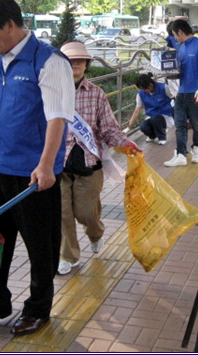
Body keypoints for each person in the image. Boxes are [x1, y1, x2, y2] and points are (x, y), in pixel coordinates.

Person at [0, 0, 75, 337]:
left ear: (9, 25)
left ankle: (38, 310)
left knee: (41, 248)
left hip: (33, 177)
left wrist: (46, 166)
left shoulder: (49, 61)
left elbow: (58, 117)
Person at [58, 41, 141, 275]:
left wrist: (126, 144)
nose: (75, 65)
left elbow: (108, 128)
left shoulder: (96, 94)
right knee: (62, 214)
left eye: (79, 61)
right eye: (70, 61)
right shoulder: (51, 91)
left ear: (86, 65)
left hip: (89, 164)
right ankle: (69, 256)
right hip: (59, 164)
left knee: (86, 213)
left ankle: (96, 234)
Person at [163, 19, 198, 167]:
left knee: (197, 124)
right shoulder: (181, 48)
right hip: (182, 92)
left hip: (197, 92)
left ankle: (197, 149)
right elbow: (180, 72)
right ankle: (180, 154)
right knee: (180, 124)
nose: (175, 39)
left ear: (180, 32)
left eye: (174, 35)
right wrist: (164, 73)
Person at [125, 72, 175, 145]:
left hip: (165, 115)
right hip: (152, 116)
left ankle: (162, 137)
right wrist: (128, 128)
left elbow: (173, 98)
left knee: (155, 118)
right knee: (143, 127)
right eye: (142, 89)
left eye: (145, 88)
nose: (144, 91)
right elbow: (137, 110)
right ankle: (152, 135)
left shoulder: (163, 87)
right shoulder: (140, 94)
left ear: (151, 84)